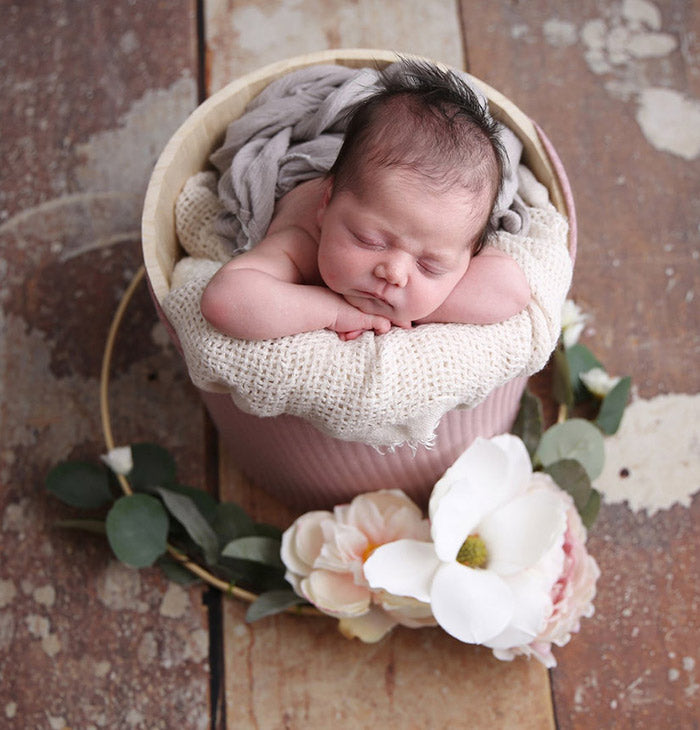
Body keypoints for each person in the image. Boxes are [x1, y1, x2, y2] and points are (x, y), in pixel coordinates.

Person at [201, 61, 531, 341]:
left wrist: (420, 308)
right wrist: (333, 311)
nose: (394, 273)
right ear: (326, 205)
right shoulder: (302, 242)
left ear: (468, 255)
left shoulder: (447, 230)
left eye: (430, 265)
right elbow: (225, 301)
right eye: (369, 241)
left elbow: (512, 290)